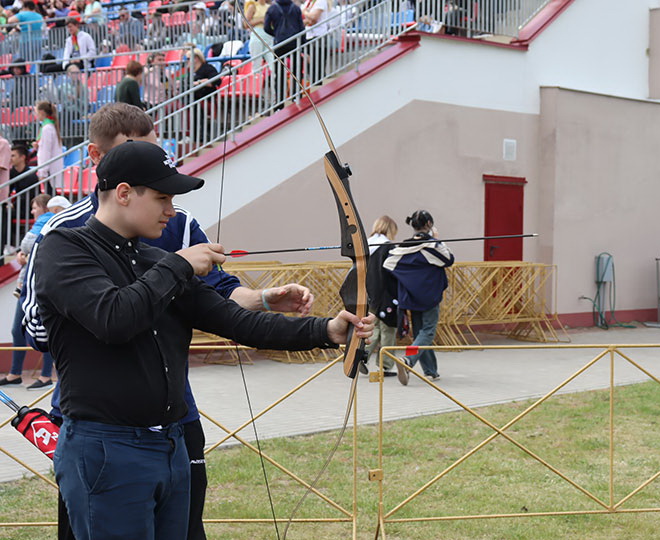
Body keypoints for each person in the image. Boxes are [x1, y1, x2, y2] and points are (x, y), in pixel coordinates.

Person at [35, 139, 372, 540]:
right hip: (107, 448)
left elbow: (238, 322)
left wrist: (326, 330)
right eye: (162, 198)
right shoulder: (64, 248)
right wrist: (179, 264)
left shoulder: (156, 263)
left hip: (171, 444)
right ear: (123, 193)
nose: (170, 211)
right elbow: (114, 318)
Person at [385, 210, 454, 385]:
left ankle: (431, 371)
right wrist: (437, 239)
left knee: (420, 333)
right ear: (429, 224)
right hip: (428, 296)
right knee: (428, 332)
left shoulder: (401, 248)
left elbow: (388, 265)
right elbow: (449, 259)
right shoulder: (431, 246)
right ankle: (408, 359)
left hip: (410, 296)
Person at [1, 194, 59, 390]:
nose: (32, 211)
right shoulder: (40, 226)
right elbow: (28, 249)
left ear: (44, 208)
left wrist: (25, 254)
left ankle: (44, 376)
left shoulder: (50, 224)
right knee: (17, 329)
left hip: (39, 285)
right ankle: (15, 373)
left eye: (35, 208)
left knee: (44, 330)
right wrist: (22, 255)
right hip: (26, 285)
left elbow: (34, 247)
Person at [362, 215, 399, 377]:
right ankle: (385, 366)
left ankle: (361, 358)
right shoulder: (388, 248)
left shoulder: (365, 246)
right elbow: (393, 273)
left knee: (373, 329)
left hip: (368, 294)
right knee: (388, 331)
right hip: (386, 295)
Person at [264, 0, 304, 102]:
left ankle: (279, 101)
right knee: (297, 71)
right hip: (294, 43)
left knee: (279, 74)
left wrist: (276, 34)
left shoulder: (272, 9)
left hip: (279, 44)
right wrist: (303, 45)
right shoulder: (296, 8)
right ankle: (296, 96)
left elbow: (266, 27)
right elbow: (301, 28)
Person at [33, 100, 63, 193]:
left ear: (41, 112)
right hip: (50, 169)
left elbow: (46, 152)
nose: (35, 115)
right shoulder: (49, 126)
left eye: (36, 112)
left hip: (49, 170)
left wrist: (43, 172)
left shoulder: (47, 128)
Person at [244, 0, 273, 73]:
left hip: (268, 35)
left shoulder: (270, 7)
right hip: (257, 34)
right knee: (256, 63)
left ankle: (274, 82)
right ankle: (256, 81)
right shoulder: (253, 6)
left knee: (272, 62)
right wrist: (260, 20)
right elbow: (246, 24)